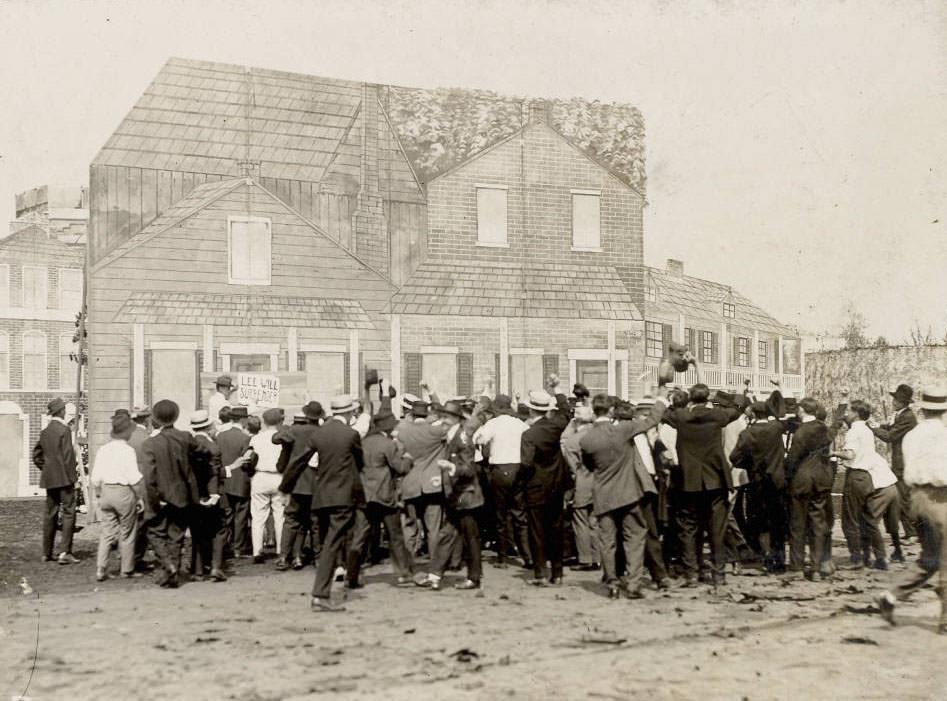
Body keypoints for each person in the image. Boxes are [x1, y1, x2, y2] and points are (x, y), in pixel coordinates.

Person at [580, 391, 667, 599]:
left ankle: (612, 583)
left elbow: (589, 466)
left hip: (603, 495)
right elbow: (652, 420)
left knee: (607, 542)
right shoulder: (624, 430)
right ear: (611, 411)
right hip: (629, 493)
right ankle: (634, 584)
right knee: (635, 538)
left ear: (594, 411)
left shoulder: (586, 439)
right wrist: (662, 399)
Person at [284, 395, 364, 613]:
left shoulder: (319, 434)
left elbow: (298, 460)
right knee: (332, 543)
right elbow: (360, 464)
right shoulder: (351, 435)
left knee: (329, 540)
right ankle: (320, 595)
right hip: (343, 497)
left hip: (321, 496)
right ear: (349, 413)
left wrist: (286, 487)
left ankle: (327, 587)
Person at [876, 387, 947, 633]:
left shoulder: (912, 436)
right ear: (944, 410)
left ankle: (891, 595)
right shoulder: (944, 435)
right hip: (940, 498)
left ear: (923, 409)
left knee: (929, 559)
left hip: (916, 498)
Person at [663, 383, 743, 587]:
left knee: (688, 528)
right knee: (717, 529)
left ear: (690, 398)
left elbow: (664, 412)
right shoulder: (717, 415)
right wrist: (717, 399)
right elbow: (737, 408)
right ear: (707, 398)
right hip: (715, 480)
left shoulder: (681, 417)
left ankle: (692, 574)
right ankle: (718, 574)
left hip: (688, 481)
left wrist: (668, 394)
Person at [141, 399, 215, 587]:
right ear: (176, 416)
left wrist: (153, 499)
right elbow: (206, 452)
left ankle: (168, 566)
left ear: (155, 418)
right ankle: (173, 570)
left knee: (155, 533)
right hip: (183, 495)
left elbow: (149, 477)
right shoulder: (185, 437)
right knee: (176, 535)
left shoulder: (150, 444)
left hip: (161, 496)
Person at [347, 408, 414, 586]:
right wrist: (407, 458)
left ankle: (352, 575)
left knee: (359, 536)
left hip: (364, 496)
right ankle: (403, 575)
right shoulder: (388, 444)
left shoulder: (362, 442)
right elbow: (401, 468)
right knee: (395, 536)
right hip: (385, 496)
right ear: (388, 427)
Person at [830, 400, 899, 570]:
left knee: (850, 520)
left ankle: (857, 558)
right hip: (868, 477)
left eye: (849, 411)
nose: (846, 414)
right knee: (869, 519)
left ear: (856, 414)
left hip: (855, 475)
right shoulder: (868, 430)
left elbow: (850, 454)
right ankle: (881, 557)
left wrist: (833, 453)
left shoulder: (854, 431)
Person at [518, 377, 572, 586]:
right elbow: (566, 410)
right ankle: (557, 573)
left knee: (537, 531)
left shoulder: (529, 435)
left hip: (536, 487)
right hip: (556, 484)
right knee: (556, 528)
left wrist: (520, 481)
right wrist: (558, 390)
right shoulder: (556, 426)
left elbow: (526, 463)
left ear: (531, 411)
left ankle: (540, 572)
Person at [425, 400, 483, 591]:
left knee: (470, 537)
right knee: (447, 534)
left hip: (465, 496)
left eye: (447, 417)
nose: (443, 420)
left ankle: (474, 578)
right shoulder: (451, 437)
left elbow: (469, 469)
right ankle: (435, 574)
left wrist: (451, 468)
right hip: (456, 495)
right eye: (442, 416)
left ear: (457, 419)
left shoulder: (462, 439)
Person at [473, 394, 531, 568]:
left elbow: (478, 439)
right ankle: (527, 556)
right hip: (518, 468)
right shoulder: (521, 424)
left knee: (501, 514)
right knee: (519, 514)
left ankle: (502, 557)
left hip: (499, 469)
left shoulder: (493, 424)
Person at [729, 400, 788, 572]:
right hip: (777, 480)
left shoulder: (747, 433)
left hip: (757, 482)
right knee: (778, 521)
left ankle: (765, 556)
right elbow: (781, 417)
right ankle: (779, 560)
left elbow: (734, 457)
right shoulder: (776, 428)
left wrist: (748, 464)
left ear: (753, 415)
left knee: (760, 520)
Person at [91, 412, 145, 581]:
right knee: (127, 532)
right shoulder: (128, 451)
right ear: (126, 432)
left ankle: (101, 568)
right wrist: (140, 497)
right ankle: (126, 569)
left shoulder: (103, 449)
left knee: (107, 533)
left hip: (106, 491)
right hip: (123, 492)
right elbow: (133, 478)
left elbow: (95, 478)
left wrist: (99, 495)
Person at [785, 397, 834, 581]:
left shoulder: (801, 432)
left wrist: (786, 476)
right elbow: (832, 433)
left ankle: (797, 568)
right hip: (821, 480)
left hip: (802, 481)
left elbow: (792, 460)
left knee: (798, 525)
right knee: (818, 523)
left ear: (802, 410)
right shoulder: (823, 428)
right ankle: (816, 568)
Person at [275, 402, 323, 570]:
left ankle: (283, 557)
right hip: (317, 484)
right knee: (316, 522)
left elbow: (276, 438)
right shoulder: (323, 432)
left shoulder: (296, 431)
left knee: (291, 520)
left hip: (297, 483)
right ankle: (318, 558)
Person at [33, 397, 80, 564]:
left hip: (49, 479)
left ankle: (47, 552)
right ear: (61, 411)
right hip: (65, 479)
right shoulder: (64, 430)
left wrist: (46, 470)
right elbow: (68, 457)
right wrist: (73, 478)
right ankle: (65, 552)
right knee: (69, 513)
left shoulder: (45, 432)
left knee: (50, 513)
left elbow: (36, 455)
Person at [870, 383, 919, 546]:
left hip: (904, 463)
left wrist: (873, 427)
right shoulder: (901, 415)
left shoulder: (907, 417)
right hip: (900, 462)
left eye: (895, 399)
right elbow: (889, 427)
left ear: (902, 402)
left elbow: (890, 436)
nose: (893, 402)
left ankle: (912, 534)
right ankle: (909, 532)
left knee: (904, 497)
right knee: (901, 497)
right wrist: (878, 425)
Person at [187, 410, 227, 581]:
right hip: (211, 493)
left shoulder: (188, 445)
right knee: (219, 529)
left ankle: (198, 570)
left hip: (193, 495)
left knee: (197, 530)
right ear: (209, 426)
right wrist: (214, 494)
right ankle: (216, 566)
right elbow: (214, 472)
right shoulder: (213, 447)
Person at [560, 405, 598, 571]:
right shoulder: (599, 435)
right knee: (595, 521)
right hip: (601, 482)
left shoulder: (573, 441)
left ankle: (585, 558)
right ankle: (598, 557)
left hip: (582, 482)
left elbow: (572, 468)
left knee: (580, 521)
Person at [249, 408, 289, 563]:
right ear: (280, 421)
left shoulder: (256, 438)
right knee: (280, 515)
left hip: (260, 476)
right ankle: (281, 550)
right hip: (278, 476)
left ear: (264, 422)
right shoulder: (283, 438)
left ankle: (257, 551)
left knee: (258, 516)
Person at [217, 406, 253, 559]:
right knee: (241, 516)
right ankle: (238, 548)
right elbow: (248, 461)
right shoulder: (246, 438)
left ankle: (224, 546)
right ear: (243, 419)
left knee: (227, 516)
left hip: (225, 480)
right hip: (241, 481)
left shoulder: (220, 436)